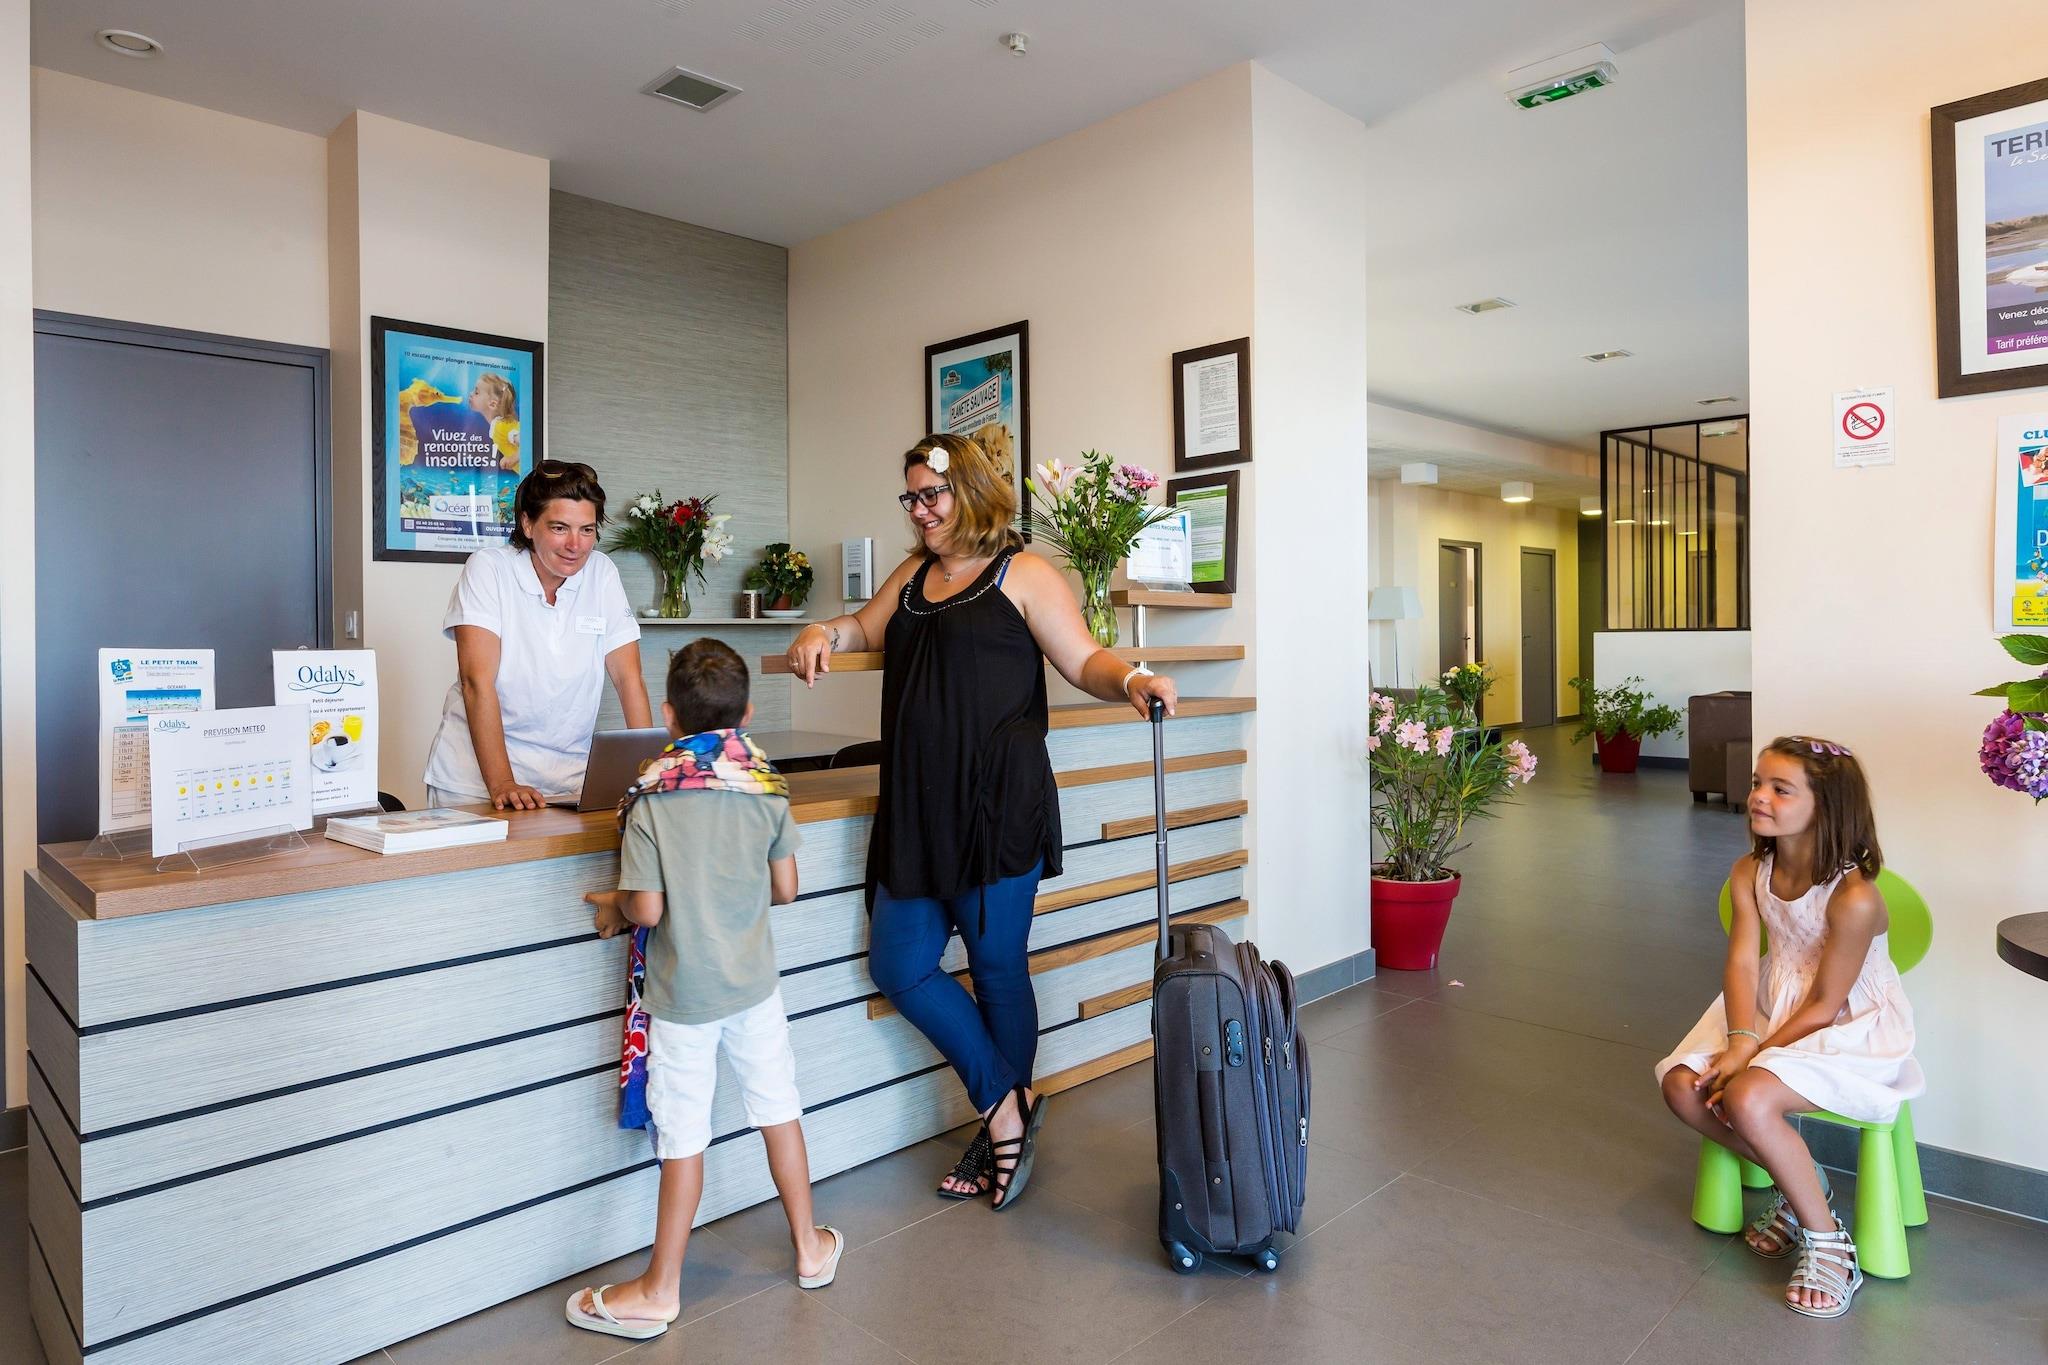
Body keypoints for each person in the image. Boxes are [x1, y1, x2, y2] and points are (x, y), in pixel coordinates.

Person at [785, 432, 1180, 1211]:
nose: (920, 510)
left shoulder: (1022, 572)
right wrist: (821, 631)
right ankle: (1008, 1107)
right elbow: (863, 627)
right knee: (900, 964)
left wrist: (1132, 677)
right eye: (911, 497)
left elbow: (1083, 658)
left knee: (997, 968)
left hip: (997, 801)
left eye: (931, 494)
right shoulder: (913, 575)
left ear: (969, 488)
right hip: (916, 802)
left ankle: (999, 1126)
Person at [568, 639, 840, 1342]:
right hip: (754, 987)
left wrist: (613, 902)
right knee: (779, 1108)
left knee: (685, 1134)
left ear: (667, 715)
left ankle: (660, 1289)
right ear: (747, 714)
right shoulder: (766, 785)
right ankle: (809, 1248)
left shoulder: (650, 796)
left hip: (683, 994)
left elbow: (647, 908)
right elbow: (786, 887)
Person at [1656, 736, 1923, 1320]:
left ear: (1827, 806)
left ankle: (1829, 1243)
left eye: (1781, 789)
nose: (1759, 796)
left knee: (1747, 1095)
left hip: (1847, 1022)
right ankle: (1804, 1178)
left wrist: (1749, 1061)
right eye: (1758, 783)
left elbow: (1826, 1003)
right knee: (1681, 1086)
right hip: (1770, 1006)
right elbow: (1743, 963)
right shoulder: (1750, 870)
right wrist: (1740, 1039)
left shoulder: (1854, 897)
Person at [423, 460, 652, 809]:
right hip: (476, 783)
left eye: (587, 530)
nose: (575, 544)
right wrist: (502, 782)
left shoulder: (601, 573)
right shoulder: (490, 569)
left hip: (569, 780)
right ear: (528, 524)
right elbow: (476, 682)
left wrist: (648, 771)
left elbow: (628, 678)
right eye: (560, 528)